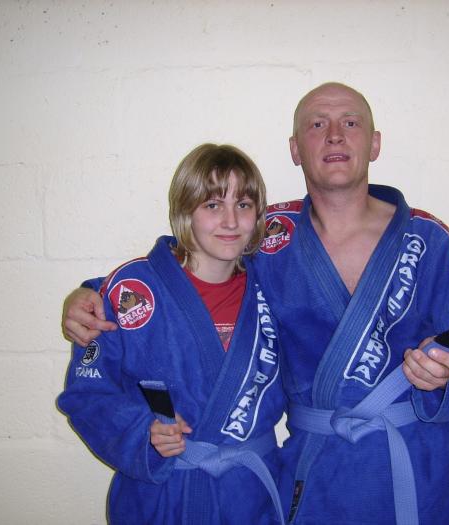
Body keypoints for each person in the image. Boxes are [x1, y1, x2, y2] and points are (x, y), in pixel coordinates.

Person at [63, 83, 449, 524]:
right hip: (316, 475)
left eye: (351, 123)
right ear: (296, 149)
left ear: (375, 143)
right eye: (317, 124)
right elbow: (183, 273)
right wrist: (90, 295)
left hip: (417, 467)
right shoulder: (268, 235)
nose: (334, 135)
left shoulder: (428, 239)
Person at [57, 144, 287, 524]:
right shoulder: (129, 292)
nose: (231, 221)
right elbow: (87, 395)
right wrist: (143, 432)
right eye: (213, 205)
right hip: (162, 497)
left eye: (243, 205)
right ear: (185, 211)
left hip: (249, 496)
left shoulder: (275, 286)